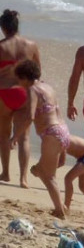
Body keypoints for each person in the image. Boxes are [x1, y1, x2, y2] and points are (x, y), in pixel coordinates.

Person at [13, 60, 68, 218]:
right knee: (47, 172)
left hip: (51, 134)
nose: (19, 83)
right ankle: (61, 205)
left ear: (25, 77)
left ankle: (60, 210)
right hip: (63, 130)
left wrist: (15, 137)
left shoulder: (33, 90)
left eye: (19, 80)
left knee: (48, 176)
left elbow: (30, 116)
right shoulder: (48, 87)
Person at [0, 10, 41, 187]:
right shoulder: (31, 45)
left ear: (3, 28)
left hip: (4, 92)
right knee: (24, 137)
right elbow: (37, 72)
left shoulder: (1, 46)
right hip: (26, 93)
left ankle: (6, 173)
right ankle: (23, 179)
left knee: (3, 134)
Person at [63, 134, 84, 212]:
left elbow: (61, 161)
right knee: (83, 187)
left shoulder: (60, 140)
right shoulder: (61, 136)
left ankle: (66, 207)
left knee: (68, 179)